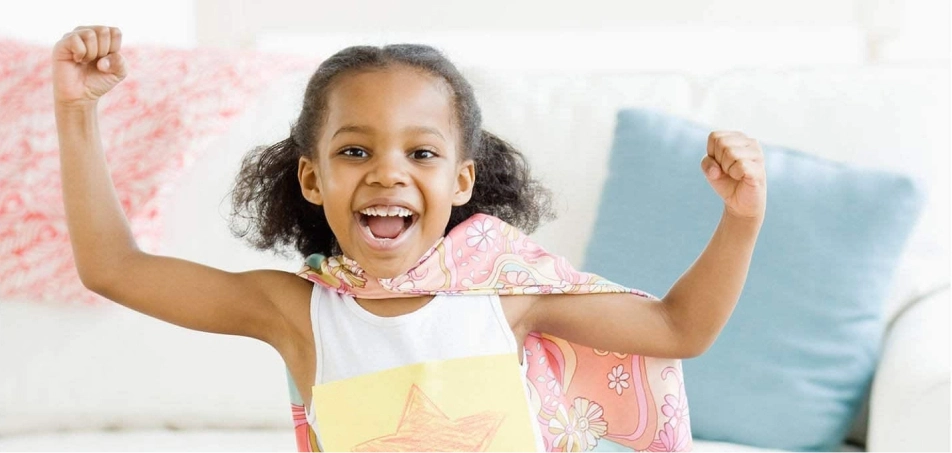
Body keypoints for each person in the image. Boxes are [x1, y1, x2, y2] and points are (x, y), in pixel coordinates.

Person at [53, 25, 766, 452]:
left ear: (461, 181)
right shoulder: (294, 312)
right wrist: (77, 112)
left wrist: (741, 219)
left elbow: (679, 328)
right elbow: (114, 267)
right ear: (311, 177)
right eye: (355, 151)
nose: (387, 173)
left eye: (420, 154)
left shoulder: (506, 297)